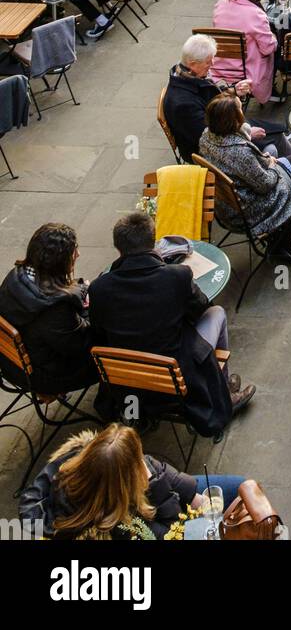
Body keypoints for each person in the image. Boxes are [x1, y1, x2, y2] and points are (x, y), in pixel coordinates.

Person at [88, 211, 253, 434]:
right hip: (174, 374)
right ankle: (223, 394)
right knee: (217, 313)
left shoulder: (99, 288)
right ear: (153, 243)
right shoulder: (177, 277)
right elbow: (201, 306)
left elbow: (98, 331)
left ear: (118, 248)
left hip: (126, 376)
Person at [19, 423, 250, 541]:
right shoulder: (120, 526)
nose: (143, 460)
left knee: (243, 487)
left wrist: (202, 504)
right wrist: (157, 485)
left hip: (150, 494)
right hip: (162, 517)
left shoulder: (78, 461)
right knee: (243, 512)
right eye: (138, 460)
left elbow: (182, 487)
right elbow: (170, 533)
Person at [200, 93, 291, 254]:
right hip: (253, 210)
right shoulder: (239, 152)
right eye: (240, 110)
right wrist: (272, 164)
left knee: (281, 155)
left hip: (227, 205)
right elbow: (265, 185)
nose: (243, 114)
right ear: (233, 120)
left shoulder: (206, 137)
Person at [163, 33, 291, 163]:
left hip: (224, 126)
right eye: (208, 61)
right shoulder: (183, 104)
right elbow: (210, 138)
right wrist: (246, 133)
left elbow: (211, 97)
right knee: (276, 139)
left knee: (277, 130)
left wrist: (233, 91)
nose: (212, 64)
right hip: (212, 150)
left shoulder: (188, 77)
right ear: (192, 63)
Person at [0, 223, 94, 394]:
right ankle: (126, 408)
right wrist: (92, 310)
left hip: (11, 363)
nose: (78, 254)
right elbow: (81, 345)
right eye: (74, 250)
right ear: (59, 260)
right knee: (112, 354)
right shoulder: (56, 306)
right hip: (46, 376)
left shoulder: (16, 276)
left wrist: (79, 291)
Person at [211, 0, 278, 104]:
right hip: (245, 69)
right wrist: (274, 37)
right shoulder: (256, 14)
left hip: (220, 65)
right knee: (275, 45)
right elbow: (267, 49)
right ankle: (271, 90)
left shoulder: (220, 5)